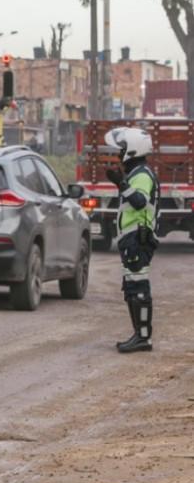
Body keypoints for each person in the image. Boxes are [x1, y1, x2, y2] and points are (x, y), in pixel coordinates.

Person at [105, 127, 158, 353]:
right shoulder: (137, 173)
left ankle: (143, 338)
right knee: (131, 288)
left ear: (132, 151)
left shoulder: (142, 175)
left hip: (139, 237)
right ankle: (139, 334)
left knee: (139, 288)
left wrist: (121, 184)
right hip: (131, 238)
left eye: (121, 151)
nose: (118, 155)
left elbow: (138, 202)